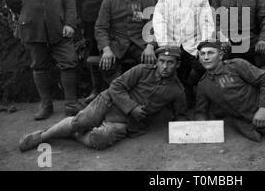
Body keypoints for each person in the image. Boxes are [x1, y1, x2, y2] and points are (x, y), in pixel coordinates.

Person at [18, 46, 187, 151]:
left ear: (177, 65)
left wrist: (182, 131)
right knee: (82, 121)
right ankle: (42, 136)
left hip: (126, 122)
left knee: (99, 140)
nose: (165, 66)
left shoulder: (177, 90)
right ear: (156, 61)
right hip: (109, 103)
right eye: (162, 61)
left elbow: (180, 114)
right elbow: (116, 86)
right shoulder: (142, 69)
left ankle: (74, 135)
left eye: (170, 63)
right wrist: (132, 107)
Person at [3, 0, 83, 120]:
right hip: (33, 28)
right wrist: (25, 13)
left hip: (59, 26)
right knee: (39, 65)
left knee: (69, 61)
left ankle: (71, 104)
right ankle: (46, 105)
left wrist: (70, 24)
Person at [153, 0, 215, 106]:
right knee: (168, 68)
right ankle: (175, 100)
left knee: (196, 71)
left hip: (193, 46)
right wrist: (165, 45)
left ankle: (193, 96)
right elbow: (159, 21)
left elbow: (206, 24)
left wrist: (203, 47)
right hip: (170, 44)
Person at [94, 0, 157, 86]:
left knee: (151, 66)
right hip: (116, 44)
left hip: (139, 44)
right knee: (107, 67)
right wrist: (106, 49)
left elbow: (152, 27)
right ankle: (120, 92)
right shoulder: (109, 0)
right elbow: (101, 28)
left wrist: (150, 46)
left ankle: (139, 95)